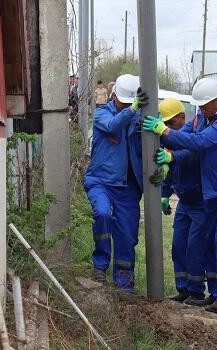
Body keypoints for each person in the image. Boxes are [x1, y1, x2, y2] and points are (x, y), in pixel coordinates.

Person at [143, 78, 217, 315]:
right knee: (210, 243)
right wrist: (163, 140)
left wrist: (165, 131)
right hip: (212, 191)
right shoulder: (202, 118)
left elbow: (199, 142)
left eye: (204, 105)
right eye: (198, 106)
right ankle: (213, 294)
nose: (200, 109)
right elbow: (184, 140)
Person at [84, 74, 148, 292]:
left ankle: (123, 284)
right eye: (124, 102)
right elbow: (112, 126)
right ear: (113, 96)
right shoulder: (103, 113)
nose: (127, 106)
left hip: (128, 188)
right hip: (101, 181)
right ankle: (99, 267)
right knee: (102, 214)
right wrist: (132, 111)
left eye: (131, 104)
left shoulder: (138, 117)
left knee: (127, 234)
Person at [154, 98, 207, 304]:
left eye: (170, 123)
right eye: (164, 124)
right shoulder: (170, 139)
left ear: (182, 118)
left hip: (199, 202)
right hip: (184, 202)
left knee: (194, 247)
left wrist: (172, 157)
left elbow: (189, 155)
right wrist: (165, 193)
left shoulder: (192, 134)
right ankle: (183, 288)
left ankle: (196, 292)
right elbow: (169, 170)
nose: (167, 128)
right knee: (178, 246)